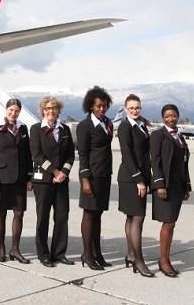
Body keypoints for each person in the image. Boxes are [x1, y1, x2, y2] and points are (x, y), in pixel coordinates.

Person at [30, 96, 75, 267]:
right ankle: (43, 254)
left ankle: (59, 253)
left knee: (62, 217)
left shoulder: (65, 130)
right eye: (47, 108)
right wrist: (55, 172)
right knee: (43, 217)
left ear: (58, 111)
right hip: (43, 181)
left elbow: (70, 155)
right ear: (43, 110)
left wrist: (63, 173)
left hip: (61, 181)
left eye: (54, 108)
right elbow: (37, 155)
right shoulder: (36, 129)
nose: (51, 111)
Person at [0, 98, 33, 264]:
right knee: (2, 213)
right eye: (11, 110)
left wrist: (29, 177)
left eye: (16, 111)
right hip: (2, 177)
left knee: (19, 213)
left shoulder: (23, 128)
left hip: (19, 178)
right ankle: (1, 247)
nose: (13, 113)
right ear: (6, 110)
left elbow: (27, 154)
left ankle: (15, 249)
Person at [150, 104, 192, 277]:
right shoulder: (158, 135)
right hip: (165, 186)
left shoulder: (179, 136)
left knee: (172, 222)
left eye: (173, 115)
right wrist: (159, 184)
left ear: (178, 116)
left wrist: (187, 186)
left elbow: (184, 163)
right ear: (163, 118)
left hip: (178, 186)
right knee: (168, 222)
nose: (170, 119)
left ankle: (165, 258)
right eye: (167, 116)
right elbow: (155, 161)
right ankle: (164, 261)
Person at [76, 86, 114, 270]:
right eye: (98, 106)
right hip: (91, 176)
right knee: (89, 214)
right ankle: (87, 254)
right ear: (91, 106)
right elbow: (83, 154)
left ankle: (97, 253)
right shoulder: (85, 126)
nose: (102, 109)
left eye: (104, 106)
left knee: (98, 215)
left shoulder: (107, 123)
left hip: (104, 175)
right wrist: (84, 179)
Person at [117, 94, 154, 277]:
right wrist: (139, 180)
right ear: (125, 109)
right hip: (130, 178)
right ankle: (139, 260)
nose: (134, 110)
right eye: (131, 108)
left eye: (137, 108)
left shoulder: (140, 125)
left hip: (138, 177)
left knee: (132, 217)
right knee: (138, 217)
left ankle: (131, 255)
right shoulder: (125, 127)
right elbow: (127, 155)